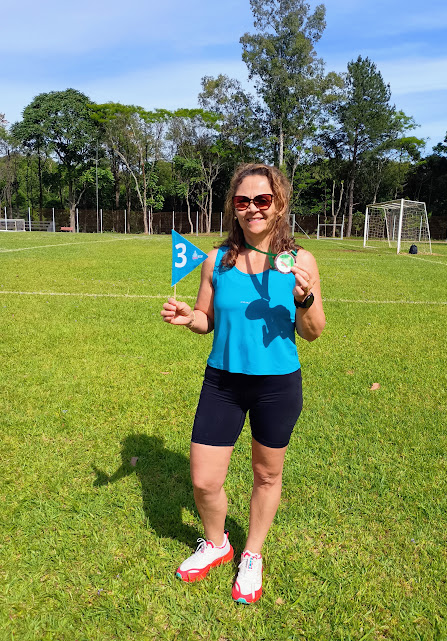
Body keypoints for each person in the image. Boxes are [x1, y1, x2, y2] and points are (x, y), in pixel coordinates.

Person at [161, 163, 325, 604]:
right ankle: (217, 544)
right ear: (233, 208)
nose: (253, 208)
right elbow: (206, 319)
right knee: (204, 480)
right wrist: (188, 318)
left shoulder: (300, 262)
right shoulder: (217, 260)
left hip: (277, 385)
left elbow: (313, 331)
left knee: (266, 475)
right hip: (223, 383)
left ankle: (252, 553)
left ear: (279, 204)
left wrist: (305, 299)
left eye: (262, 200)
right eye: (243, 201)